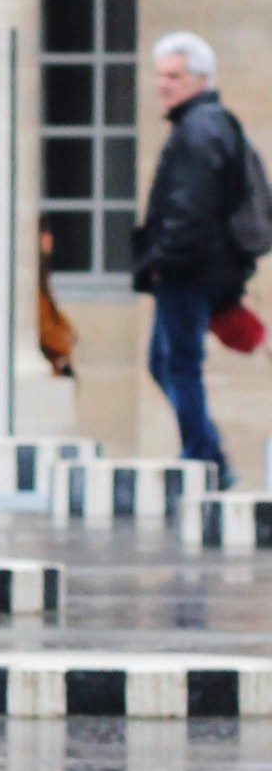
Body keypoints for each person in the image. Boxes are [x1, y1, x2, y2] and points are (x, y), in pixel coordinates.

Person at [130, 30, 254, 476]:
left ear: (200, 79)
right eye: (161, 75)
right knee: (164, 362)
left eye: (174, 76)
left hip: (187, 272)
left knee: (178, 364)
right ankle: (209, 453)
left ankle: (204, 459)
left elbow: (191, 208)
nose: (164, 84)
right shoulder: (204, 125)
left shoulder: (200, 130)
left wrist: (164, 262)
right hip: (193, 269)